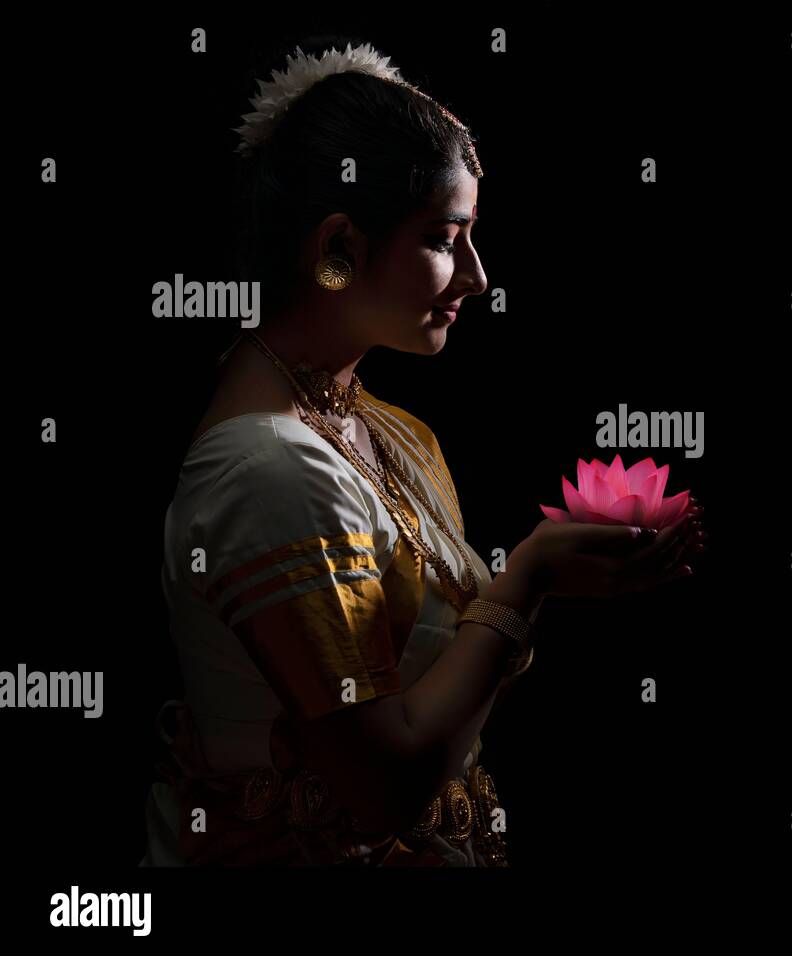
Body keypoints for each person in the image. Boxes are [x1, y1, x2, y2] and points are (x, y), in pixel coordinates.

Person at [141, 38, 705, 867]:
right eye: (446, 237)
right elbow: (381, 794)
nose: (475, 276)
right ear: (340, 249)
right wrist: (529, 578)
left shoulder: (387, 429)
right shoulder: (270, 471)